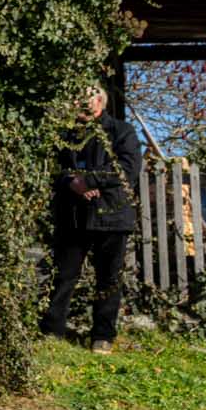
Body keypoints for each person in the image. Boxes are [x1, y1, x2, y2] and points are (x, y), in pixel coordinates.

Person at [40, 84, 141, 353]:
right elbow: (52, 169)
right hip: (73, 216)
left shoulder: (122, 132)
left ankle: (103, 336)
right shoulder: (65, 134)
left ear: (99, 102)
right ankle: (52, 332)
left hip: (111, 216)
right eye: (74, 100)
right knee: (62, 275)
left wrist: (91, 180)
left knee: (108, 280)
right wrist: (73, 181)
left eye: (83, 100)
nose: (77, 105)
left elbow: (128, 170)